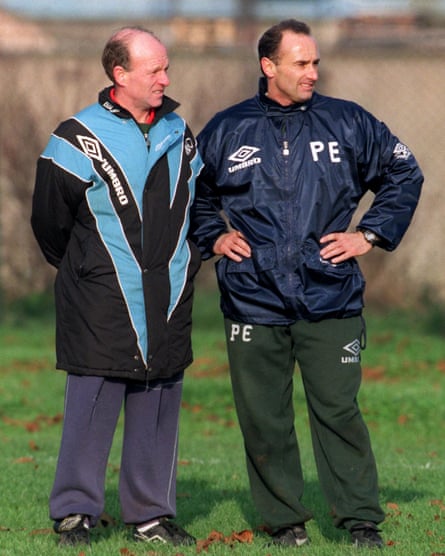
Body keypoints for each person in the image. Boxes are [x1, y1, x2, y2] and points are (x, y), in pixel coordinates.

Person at [190, 19, 423, 549]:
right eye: (301, 63)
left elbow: (404, 173)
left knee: (338, 411)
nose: (312, 72)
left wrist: (369, 234)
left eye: (315, 62)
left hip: (330, 295)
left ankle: (360, 519)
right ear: (268, 66)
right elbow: (197, 196)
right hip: (253, 298)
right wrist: (214, 238)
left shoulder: (349, 122)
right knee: (264, 417)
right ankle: (283, 522)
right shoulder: (227, 129)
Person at [31, 26, 203, 548]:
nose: (165, 79)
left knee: (157, 403)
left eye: (166, 67)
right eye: (154, 70)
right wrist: (91, 272)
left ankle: (151, 514)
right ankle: (75, 513)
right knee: (90, 406)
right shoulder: (74, 138)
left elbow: (200, 208)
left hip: (168, 296)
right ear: (119, 74)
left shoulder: (181, 134)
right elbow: (50, 226)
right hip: (98, 301)